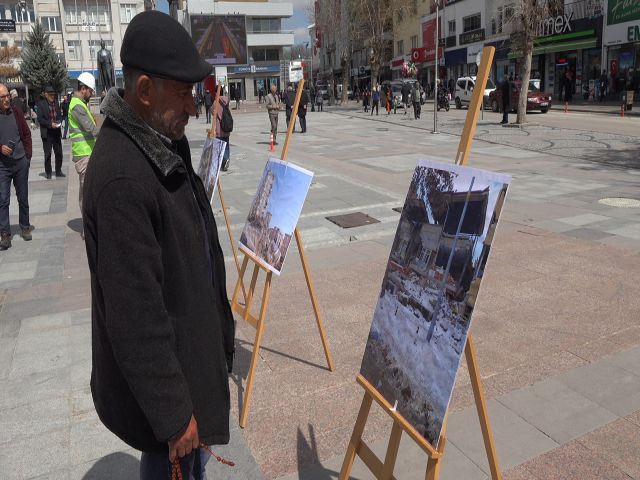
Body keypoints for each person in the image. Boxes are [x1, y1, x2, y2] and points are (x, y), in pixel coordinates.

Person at [83, 11, 234, 480]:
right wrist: (173, 413)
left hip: (187, 365)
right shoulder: (123, 176)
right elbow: (135, 316)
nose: (193, 107)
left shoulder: (158, 137)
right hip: (170, 397)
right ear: (145, 91)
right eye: (184, 93)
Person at [0, 83, 32, 250]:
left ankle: (25, 226)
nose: (6, 99)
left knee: (23, 198)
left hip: (20, 162)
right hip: (2, 166)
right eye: (3, 97)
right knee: (3, 200)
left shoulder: (16, 112)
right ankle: (5, 234)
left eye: (7, 96)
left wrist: (28, 157)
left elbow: (26, 134)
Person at [68, 72, 99, 233]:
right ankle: (88, 229)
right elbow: (91, 129)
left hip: (89, 154)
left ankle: (91, 225)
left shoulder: (80, 104)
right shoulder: (77, 106)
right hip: (84, 156)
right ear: (83, 89)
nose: (91, 94)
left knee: (90, 191)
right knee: (87, 193)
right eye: (91, 91)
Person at [37, 86, 64, 179]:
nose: (53, 97)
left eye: (53, 95)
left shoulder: (56, 103)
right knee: (48, 154)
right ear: (46, 95)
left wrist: (59, 122)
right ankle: (48, 172)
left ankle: (58, 170)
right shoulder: (41, 104)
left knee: (59, 153)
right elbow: (40, 119)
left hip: (56, 132)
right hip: (47, 133)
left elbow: (60, 115)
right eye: (51, 95)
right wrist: (50, 124)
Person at [212, 86, 232, 171]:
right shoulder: (226, 100)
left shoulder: (215, 103)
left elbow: (213, 112)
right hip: (226, 128)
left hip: (219, 129)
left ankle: (224, 161)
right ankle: (227, 160)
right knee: (226, 145)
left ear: (216, 92)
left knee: (219, 146)